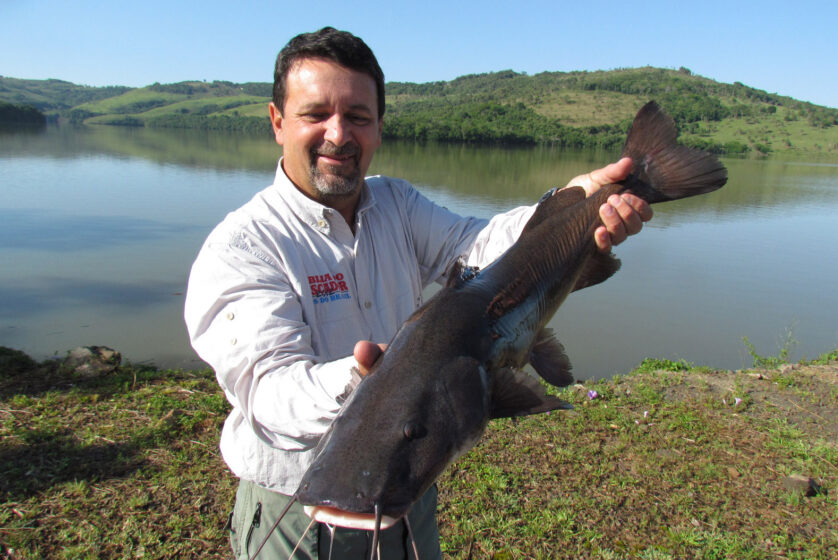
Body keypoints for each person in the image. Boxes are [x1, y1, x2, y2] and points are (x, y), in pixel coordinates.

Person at [184, 26, 652, 560]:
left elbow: (480, 250)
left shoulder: (396, 204)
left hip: (407, 492)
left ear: (379, 127)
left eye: (358, 117)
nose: (339, 134)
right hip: (298, 511)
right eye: (315, 114)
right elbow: (269, 392)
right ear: (277, 123)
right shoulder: (243, 245)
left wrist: (575, 202)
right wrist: (369, 380)